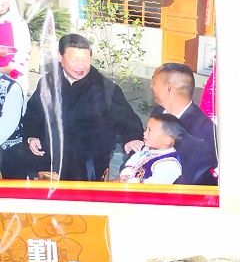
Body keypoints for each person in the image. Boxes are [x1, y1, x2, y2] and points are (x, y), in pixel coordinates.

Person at [10, 33, 143, 181]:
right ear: (60, 57)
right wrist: (32, 136)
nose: (80, 66)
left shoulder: (105, 89)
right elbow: (34, 114)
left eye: (85, 60)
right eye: (74, 60)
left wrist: (132, 138)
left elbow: (128, 120)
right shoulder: (49, 82)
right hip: (49, 150)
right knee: (13, 159)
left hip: (86, 156)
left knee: (76, 173)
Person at [150, 61, 218, 185]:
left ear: (168, 88)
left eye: (154, 82)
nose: (150, 86)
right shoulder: (158, 113)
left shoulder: (203, 133)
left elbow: (189, 184)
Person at [117, 111, 185, 184]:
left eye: (149, 131)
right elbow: (134, 160)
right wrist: (127, 173)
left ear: (167, 140)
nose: (144, 133)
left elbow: (156, 186)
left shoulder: (169, 164)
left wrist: (132, 181)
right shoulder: (147, 148)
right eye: (146, 129)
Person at [0, 0, 30, 92]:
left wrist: (6, 69)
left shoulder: (19, 24)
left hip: (11, 82)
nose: (1, 2)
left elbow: (23, 52)